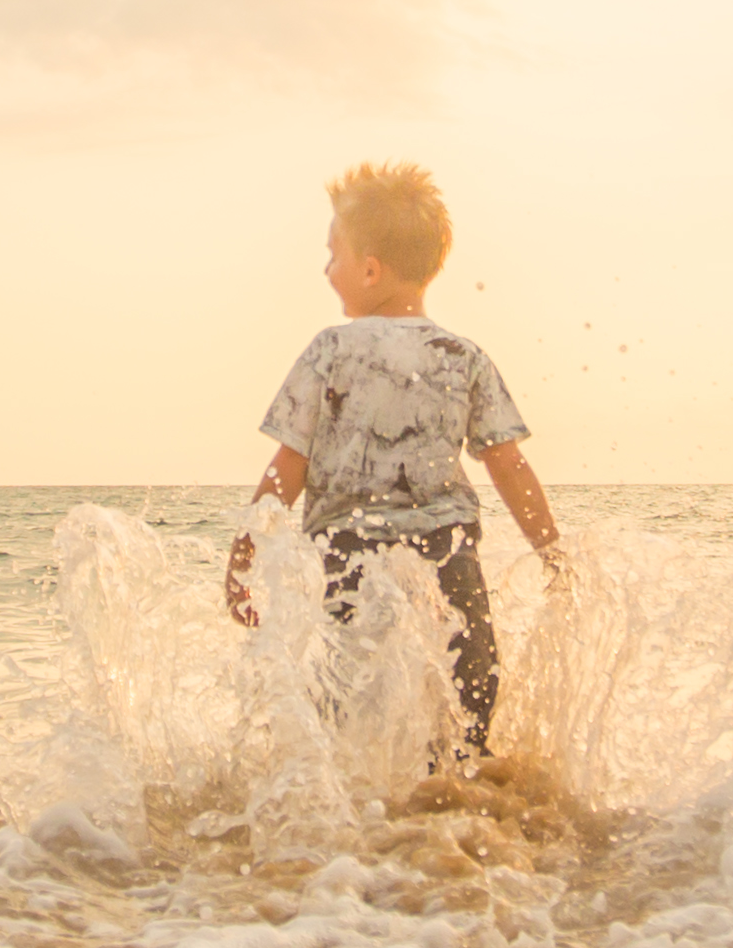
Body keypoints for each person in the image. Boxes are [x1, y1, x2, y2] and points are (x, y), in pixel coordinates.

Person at [224, 162, 566, 766]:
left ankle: (364, 835)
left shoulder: (330, 349)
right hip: (450, 553)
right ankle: (458, 826)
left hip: (352, 554)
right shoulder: (463, 356)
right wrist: (552, 554)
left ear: (370, 269)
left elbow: (289, 464)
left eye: (332, 255)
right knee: (469, 702)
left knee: (345, 708)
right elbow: (509, 466)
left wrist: (244, 553)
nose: (326, 269)